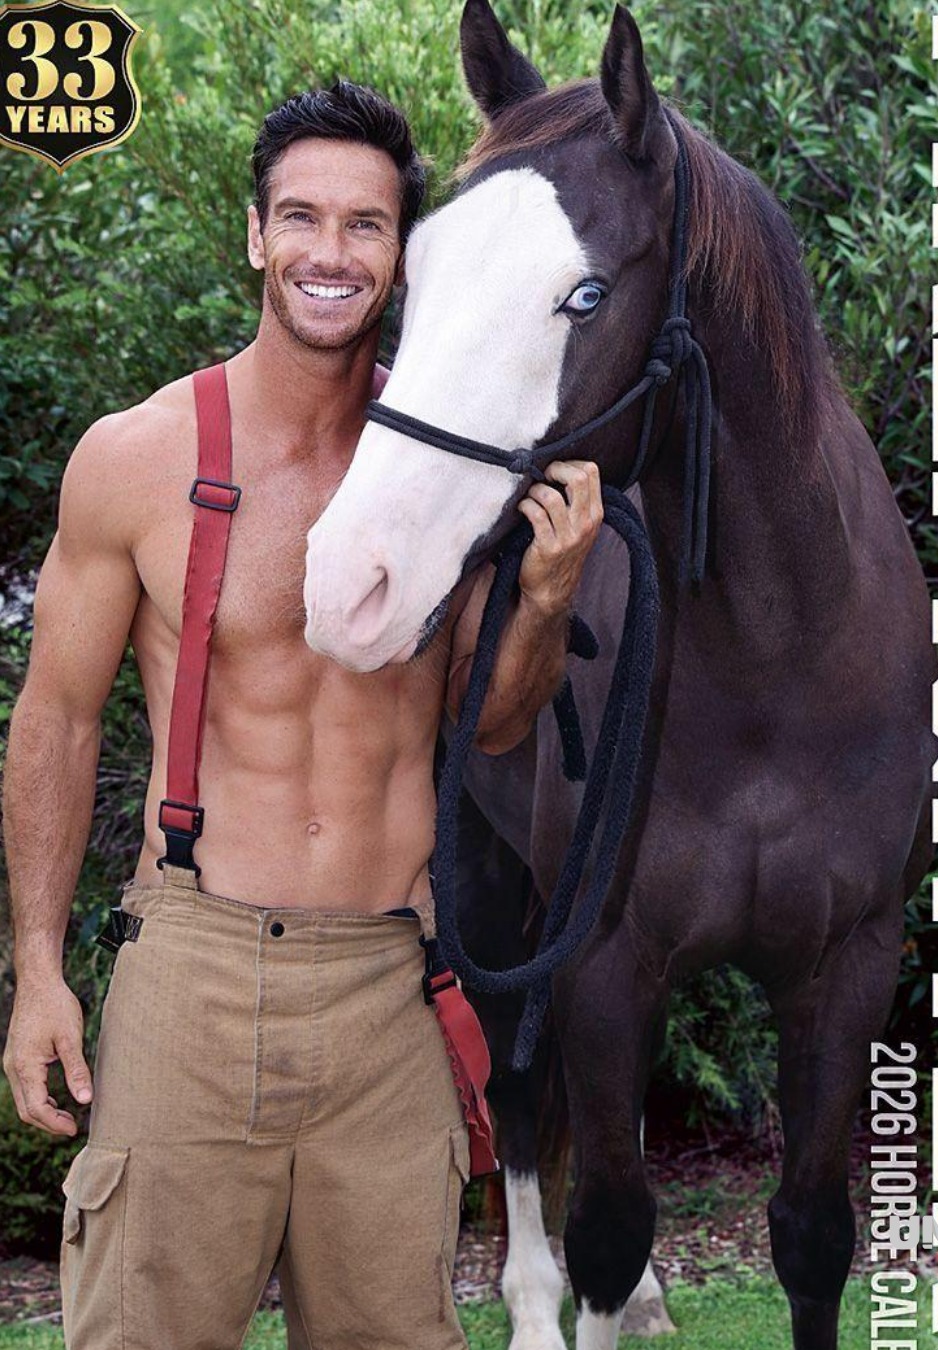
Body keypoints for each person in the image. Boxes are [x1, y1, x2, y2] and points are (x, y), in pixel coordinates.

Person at [2, 80, 603, 1349]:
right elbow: (55, 720)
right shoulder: (138, 457)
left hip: (389, 981)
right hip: (193, 976)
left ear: (402, 254)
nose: (332, 252)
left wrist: (546, 599)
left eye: (366, 224)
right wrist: (39, 973)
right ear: (255, 235)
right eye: (302, 217)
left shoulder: (453, 472)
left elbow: (489, 724)